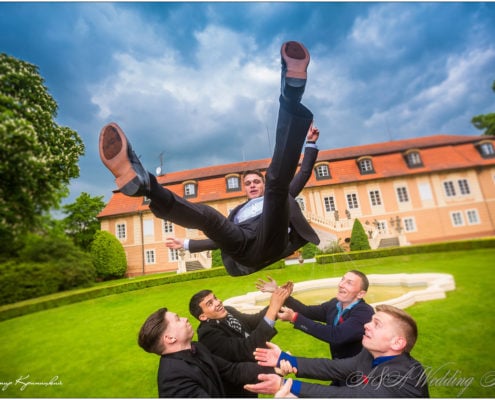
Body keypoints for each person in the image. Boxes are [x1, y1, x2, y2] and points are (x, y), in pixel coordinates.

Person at [99, 41, 320, 277]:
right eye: (249, 183)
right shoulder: (237, 212)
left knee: (278, 181)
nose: (253, 185)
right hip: (243, 248)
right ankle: (145, 185)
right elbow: (218, 238)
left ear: (261, 185)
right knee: (209, 216)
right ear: (244, 189)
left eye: (256, 182)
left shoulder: (278, 197)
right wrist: (186, 244)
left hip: (272, 238)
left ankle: (291, 95)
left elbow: (303, 173)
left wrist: (311, 144)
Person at [244, 304, 430, 397]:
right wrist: (283, 359)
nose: (366, 325)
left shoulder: (407, 378)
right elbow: (333, 368)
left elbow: (348, 396)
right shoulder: (370, 355)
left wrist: (286, 385)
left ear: (397, 343)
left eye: (377, 324)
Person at [137, 307, 280, 397]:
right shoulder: (174, 382)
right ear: (170, 338)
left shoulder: (197, 348)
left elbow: (233, 370)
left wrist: (275, 368)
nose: (185, 318)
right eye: (178, 319)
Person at [189, 286, 292, 397]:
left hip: (250, 379)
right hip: (237, 390)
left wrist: (280, 299)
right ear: (203, 316)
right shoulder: (209, 335)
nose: (218, 302)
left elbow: (254, 321)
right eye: (210, 303)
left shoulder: (228, 311)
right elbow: (247, 348)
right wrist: (273, 308)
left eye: (215, 298)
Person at [256, 270, 374, 361]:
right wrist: (280, 292)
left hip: (360, 375)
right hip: (339, 370)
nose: (341, 284)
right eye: (342, 280)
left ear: (361, 293)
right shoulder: (334, 304)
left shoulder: (364, 313)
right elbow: (307, 311)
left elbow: (337, 335)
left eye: (349, 283)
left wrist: (294, 318)